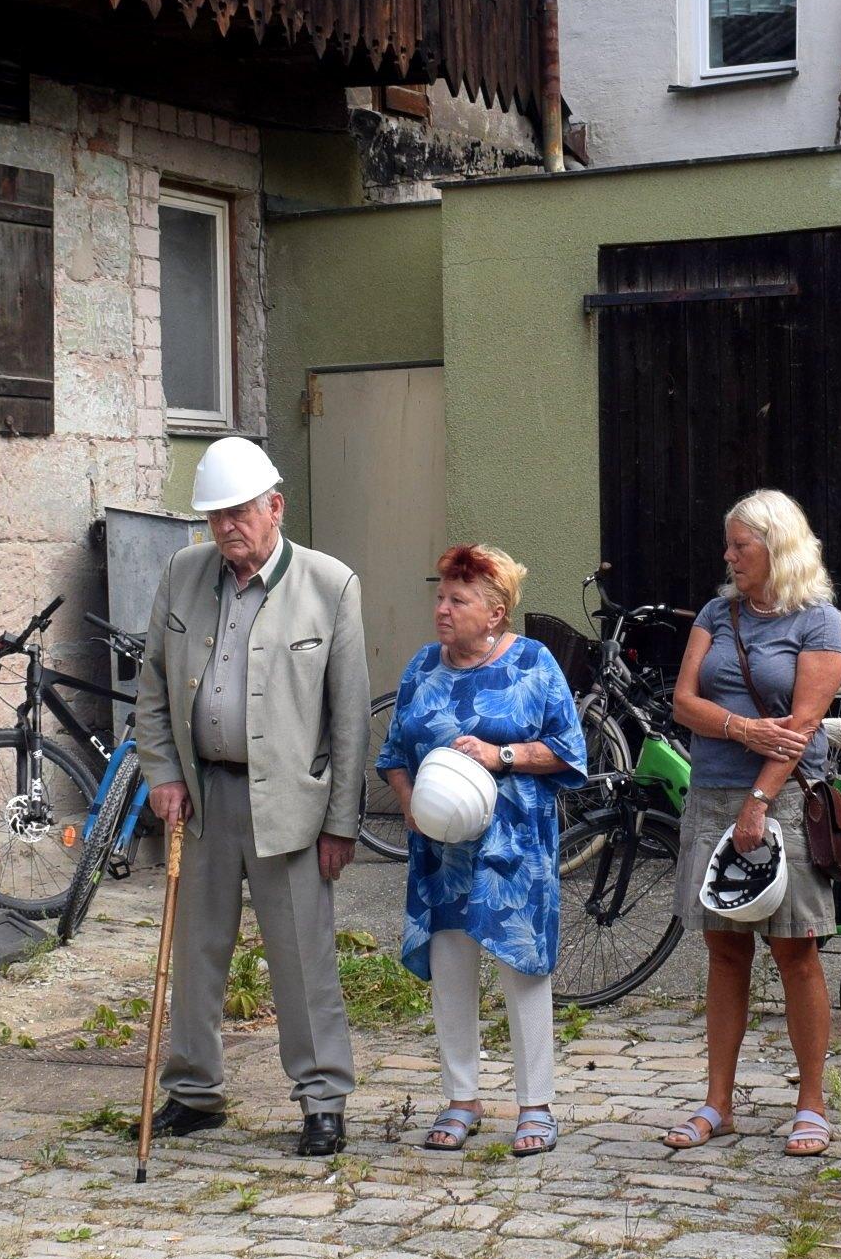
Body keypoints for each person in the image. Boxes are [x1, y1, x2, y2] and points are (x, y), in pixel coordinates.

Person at [136, 436, 373, 1158]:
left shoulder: (330, 585)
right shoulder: (183, 574)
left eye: (238, 513)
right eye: (213, 517)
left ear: (275, 507)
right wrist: (162, 774)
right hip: (203, 796)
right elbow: (151, 685)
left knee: (303, 959)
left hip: (292, 810)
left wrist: (342, 822)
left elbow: (350, 716)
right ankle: (194, 1092)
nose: (226, 528)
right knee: (195, 951)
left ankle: (322, 1099)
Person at [377, 544, 587, 1158]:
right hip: (442, 850)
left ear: (494, 612)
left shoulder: (533, 664)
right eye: (439, 597)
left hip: (515, 849)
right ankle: (460, 1099)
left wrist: (502, 756)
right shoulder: (422, 666)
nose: (442, 608)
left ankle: (536, 1105)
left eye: (457, 599)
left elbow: (570, 752)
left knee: (523, 970)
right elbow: (393, 753)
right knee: (451, 970)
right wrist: (410, 801)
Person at [661, 491, 841, 1157]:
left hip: (785, 799)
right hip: (712, 791)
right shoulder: (719, 612)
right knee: (723, 949)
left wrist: (759, 801)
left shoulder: (818, 622)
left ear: (777, 546)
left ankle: (812, 1103)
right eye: (729, 545)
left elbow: (801, 727)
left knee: (795, 949)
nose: (729, 555)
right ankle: (719, 1101)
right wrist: (739, 726)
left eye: (741, 545)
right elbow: (684, 702)